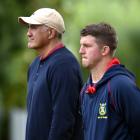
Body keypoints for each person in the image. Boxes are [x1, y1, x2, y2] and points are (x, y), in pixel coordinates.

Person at [18, 8, 83, 140]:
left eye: (34, 27)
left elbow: (63, 123)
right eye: (29, 27)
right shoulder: (35, 64)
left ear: (51, 32)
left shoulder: (64, 65)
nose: (28, 33)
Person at [79, 22, 140, 140]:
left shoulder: (121, 86)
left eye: (87, 46)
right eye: (81, 45)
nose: (81, 50)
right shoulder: (85, 91)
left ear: (104, 50)